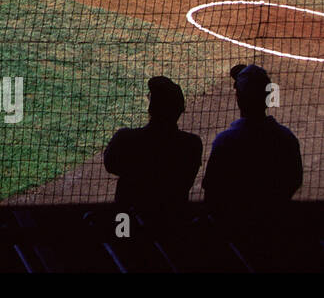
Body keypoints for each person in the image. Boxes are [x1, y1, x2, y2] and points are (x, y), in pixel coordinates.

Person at [202, 64, 302, 220]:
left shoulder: (225, 142)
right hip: (274, 225)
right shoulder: (286, 138)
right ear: (269, 97)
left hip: (234, 229)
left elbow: (211, 192)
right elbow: (295, 180)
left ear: (238, 99)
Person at [102, 76, 203, 216]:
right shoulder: (192, 144)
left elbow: (110, 165)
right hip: (170, 221)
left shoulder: (125, 139)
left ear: (150, 108)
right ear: (179, 110)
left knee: (122, 233)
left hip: (127, 219)